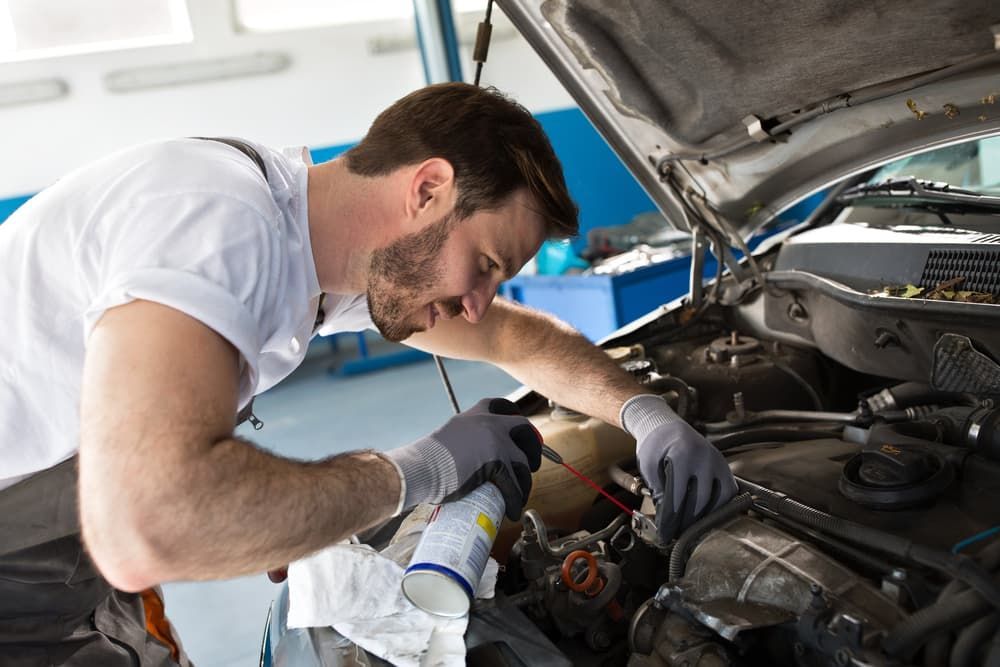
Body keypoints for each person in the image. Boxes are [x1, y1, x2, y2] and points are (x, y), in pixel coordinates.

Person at [0, 82, 736, 665]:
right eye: (484, 264)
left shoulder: (320, 255)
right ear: (427, 188)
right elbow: (147, 525)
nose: (479, 298)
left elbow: (512, 334)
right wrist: (421, 468)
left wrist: (642, 413)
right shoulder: (214, 223)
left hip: (75, 547)